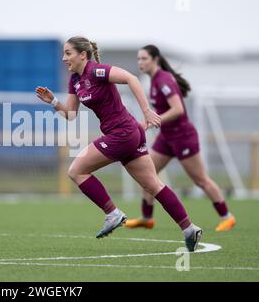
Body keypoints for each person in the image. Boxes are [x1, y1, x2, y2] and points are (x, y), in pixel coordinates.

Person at [35, 36, 203, 252]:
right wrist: (53, 102)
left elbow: (131, 78)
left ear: (83, 55)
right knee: (153, 185)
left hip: (122, 133)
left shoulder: (97, 71)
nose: (63, 58)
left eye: (68, 53)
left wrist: (147, 111)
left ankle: (112, 213)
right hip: (128, 134)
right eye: (64, 53)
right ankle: (189, 229)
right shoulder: (74, 80)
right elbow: (70, 114)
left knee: (76, 171)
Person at [125, 45, 236, 232]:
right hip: (166, 138)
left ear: (155, 59)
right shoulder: (153, 81)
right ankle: (147, 218)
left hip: (183, 137)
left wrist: (151, 121)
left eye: (144, 59)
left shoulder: (163, 80)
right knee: (146, 174)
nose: (140, 63)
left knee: (200, 180)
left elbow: (178, 110)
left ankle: (227, 217)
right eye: (138, 59)